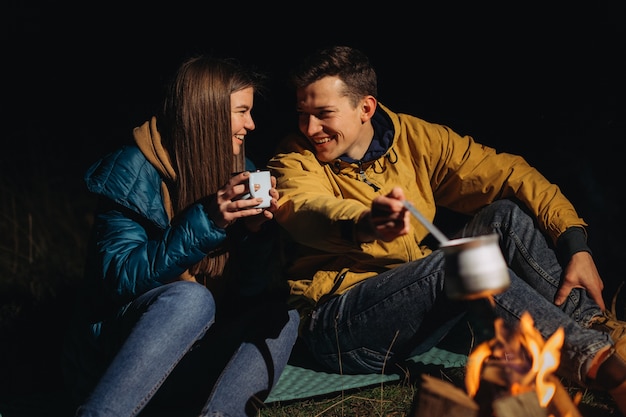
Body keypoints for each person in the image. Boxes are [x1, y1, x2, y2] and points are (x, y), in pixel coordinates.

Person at [267, 45, 626, 413]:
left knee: (504, 214)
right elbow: (306, 209)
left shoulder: (412, 138)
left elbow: (507, 173)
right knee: (456, 264)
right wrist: (364, 223)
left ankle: (600, 331)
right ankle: (602, 366)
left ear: (366, 108)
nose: (310, 128)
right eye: (302, 114)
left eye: (323, 114)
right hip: (339, 325)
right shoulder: (293, 158)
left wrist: (575, 243)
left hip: (412, 302)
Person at [62, 54, 299, 417]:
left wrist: (255, 235)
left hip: (194, 355)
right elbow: (119, 278)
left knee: (282, 316)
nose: (251, 124)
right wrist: (208, 220)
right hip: (123, 364)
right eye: (241, 111)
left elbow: (245, 295)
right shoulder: (133, 168)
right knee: (191, 299)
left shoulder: (242, 171)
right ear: (206, 112)